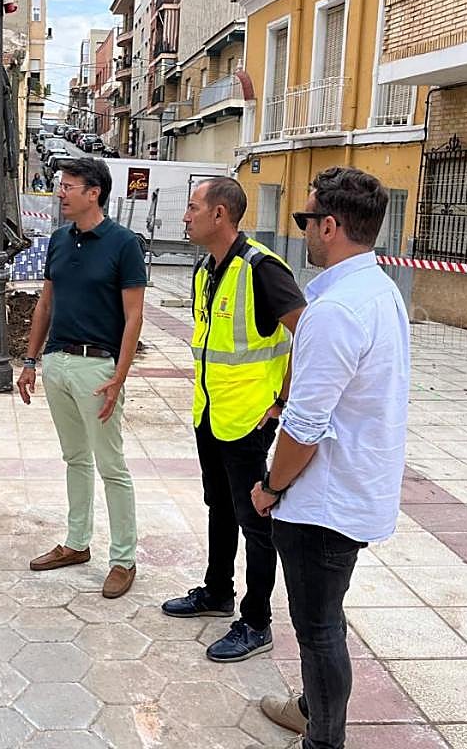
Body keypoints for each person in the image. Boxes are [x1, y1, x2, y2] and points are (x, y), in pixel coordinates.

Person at [251, 167, 410, 749]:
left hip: (323, 500)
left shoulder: (337, 309)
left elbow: (307, 429)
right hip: (353, 486)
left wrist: (270, 485)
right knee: (325, 618)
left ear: (332, 225)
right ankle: (310, 709)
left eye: (306, 220)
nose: (303, 233)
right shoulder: (377, 289)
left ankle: (324, 739)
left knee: (318, 630)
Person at [161, 177, 304, 661]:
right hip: (210, 413)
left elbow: (309, 336)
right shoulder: (207, 270)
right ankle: (217, 591)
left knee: (254, 520)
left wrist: (282, 402)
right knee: (218, 507)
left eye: (193, 207)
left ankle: (256, 621)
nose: (186, 216)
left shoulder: (262, 269)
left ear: (220, 214)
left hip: (248, 420)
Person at [18, 157, 146, 600]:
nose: (60, 193)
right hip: (57, 363)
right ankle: (76, 543)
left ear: (94, 192)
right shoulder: (57, 240)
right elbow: (45, 304)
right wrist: (31, 360)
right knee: (75, 458)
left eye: (69, 186)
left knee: (111, 465)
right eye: (61, 185)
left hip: (99, 368)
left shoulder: (124, 244)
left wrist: (119, 376)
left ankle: (124, 558)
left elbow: (134, 318)